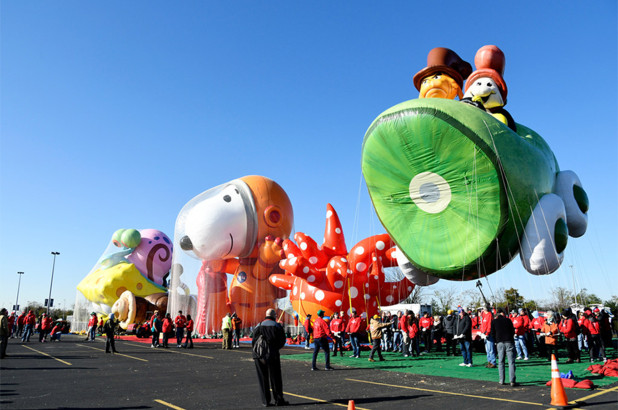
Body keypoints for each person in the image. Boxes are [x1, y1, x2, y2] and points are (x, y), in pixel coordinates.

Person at [252, 308, 289, 407]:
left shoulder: (258, 325)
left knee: (262, 378)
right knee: (275, 378)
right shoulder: (276, 326)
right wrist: (274, 348)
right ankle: (278, 400)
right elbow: (282, 341)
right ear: (274, 316)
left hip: (258, 356)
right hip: (272, 355)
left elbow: (254, 341)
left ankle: (265, 401)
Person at [491, 308, 517, 386]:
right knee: (511, 362)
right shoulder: (508, 320)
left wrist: (496, 341)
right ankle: (512, 380)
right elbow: (513, 331)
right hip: (509, 341)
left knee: (501, 361)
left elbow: (492, 333)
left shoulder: (494, 322)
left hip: (500, 342)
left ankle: (501, 380)